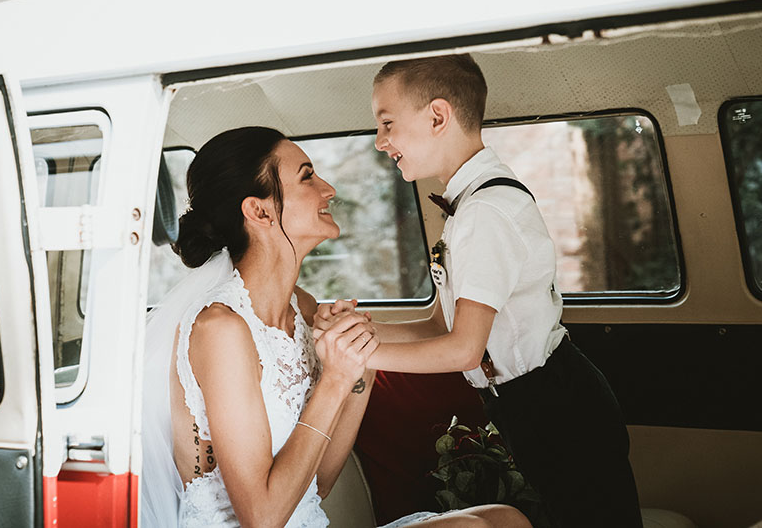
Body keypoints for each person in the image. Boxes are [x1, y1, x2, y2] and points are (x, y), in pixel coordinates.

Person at [141, 126, 532, 528]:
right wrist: (334, 380)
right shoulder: (220, 328)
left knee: (506, 520)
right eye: (307, 176)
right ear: (259, 211)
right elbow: (262, 517)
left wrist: (358, 369)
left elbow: (319, 482)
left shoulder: (302, 307)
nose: (328, 189)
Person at [315, 55, 643, 528]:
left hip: (554, 404)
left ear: (437, 116)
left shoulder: (484, 212)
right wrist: (362, 331)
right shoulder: (470, 206)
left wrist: (356, 358)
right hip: (532, 402)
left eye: (386, 124)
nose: (380, 142)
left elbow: (464, 349)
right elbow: (439, 325)